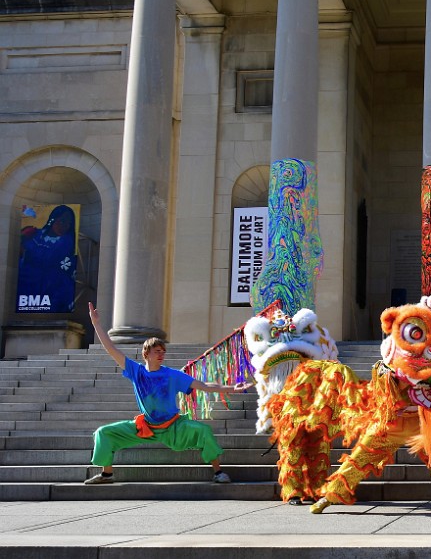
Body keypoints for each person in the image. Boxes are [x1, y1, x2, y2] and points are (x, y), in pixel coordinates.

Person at [83, 302, 254, 485]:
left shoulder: (171, 375)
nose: (161, 354)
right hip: (145, 426)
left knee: (203, 431)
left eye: (163, 352)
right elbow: (111, 349)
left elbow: (203, 385)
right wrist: (96, 324)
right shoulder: (136, 371)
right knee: (103, 432)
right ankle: (107, 474)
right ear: (146, 353)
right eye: (157, 351)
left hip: (173, 426)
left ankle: (218, 472)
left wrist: (230, 388)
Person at [17, 204, 78, 313]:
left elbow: (61, 266)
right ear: (53, 219)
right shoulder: (33, 233)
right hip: (26, 284)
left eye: (69, 223)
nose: (65, 226)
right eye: (62, 221)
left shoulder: (66, 243)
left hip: (50, 287)